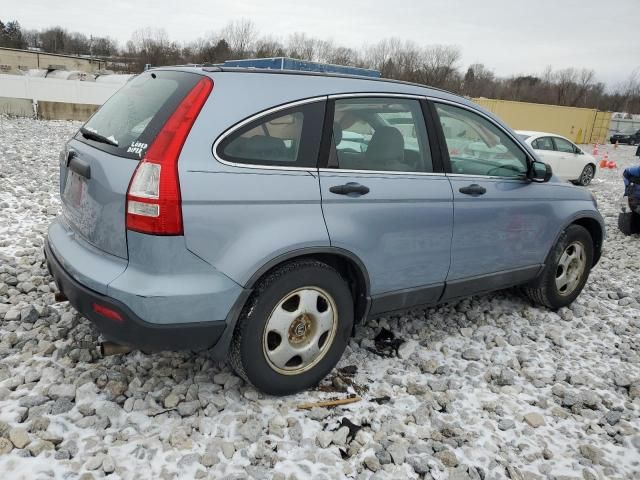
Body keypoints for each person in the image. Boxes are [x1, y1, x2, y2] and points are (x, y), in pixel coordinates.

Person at [619, 164, 640, 235]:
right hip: (632, 196)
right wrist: (628, 186)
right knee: (624, 202)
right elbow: (626, 173)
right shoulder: (634, 170)